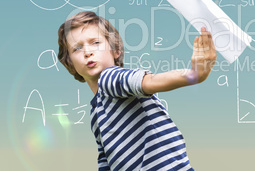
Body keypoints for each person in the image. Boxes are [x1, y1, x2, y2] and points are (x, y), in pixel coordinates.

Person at [57, 11, 217, 170]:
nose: (87, 52)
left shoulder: (111, 77)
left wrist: (193, 75)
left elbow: (149, 82)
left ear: (115, 50)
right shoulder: (95, 113)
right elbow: (106, 162)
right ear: (70, 63)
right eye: (77, 48)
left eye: (96, 43)